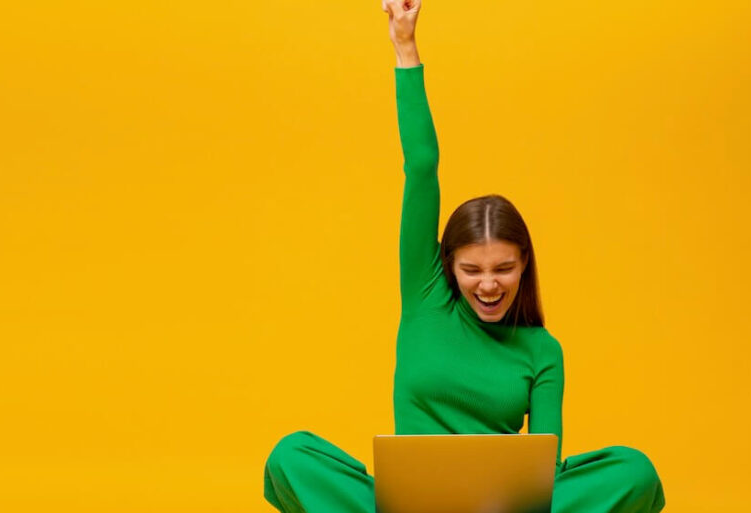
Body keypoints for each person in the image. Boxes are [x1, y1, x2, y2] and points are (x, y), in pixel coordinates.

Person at [262, 1, 666, 511]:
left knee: (633, 471)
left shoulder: (543, 353)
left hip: (501, 509)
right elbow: (422, 166)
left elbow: (547, 480)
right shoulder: (427, 294)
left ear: (524, 266)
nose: (489, 284)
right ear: (449, 267)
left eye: (503, 269)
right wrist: (404, 47)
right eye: (472, 270)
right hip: (403, 506)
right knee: (291, 455)